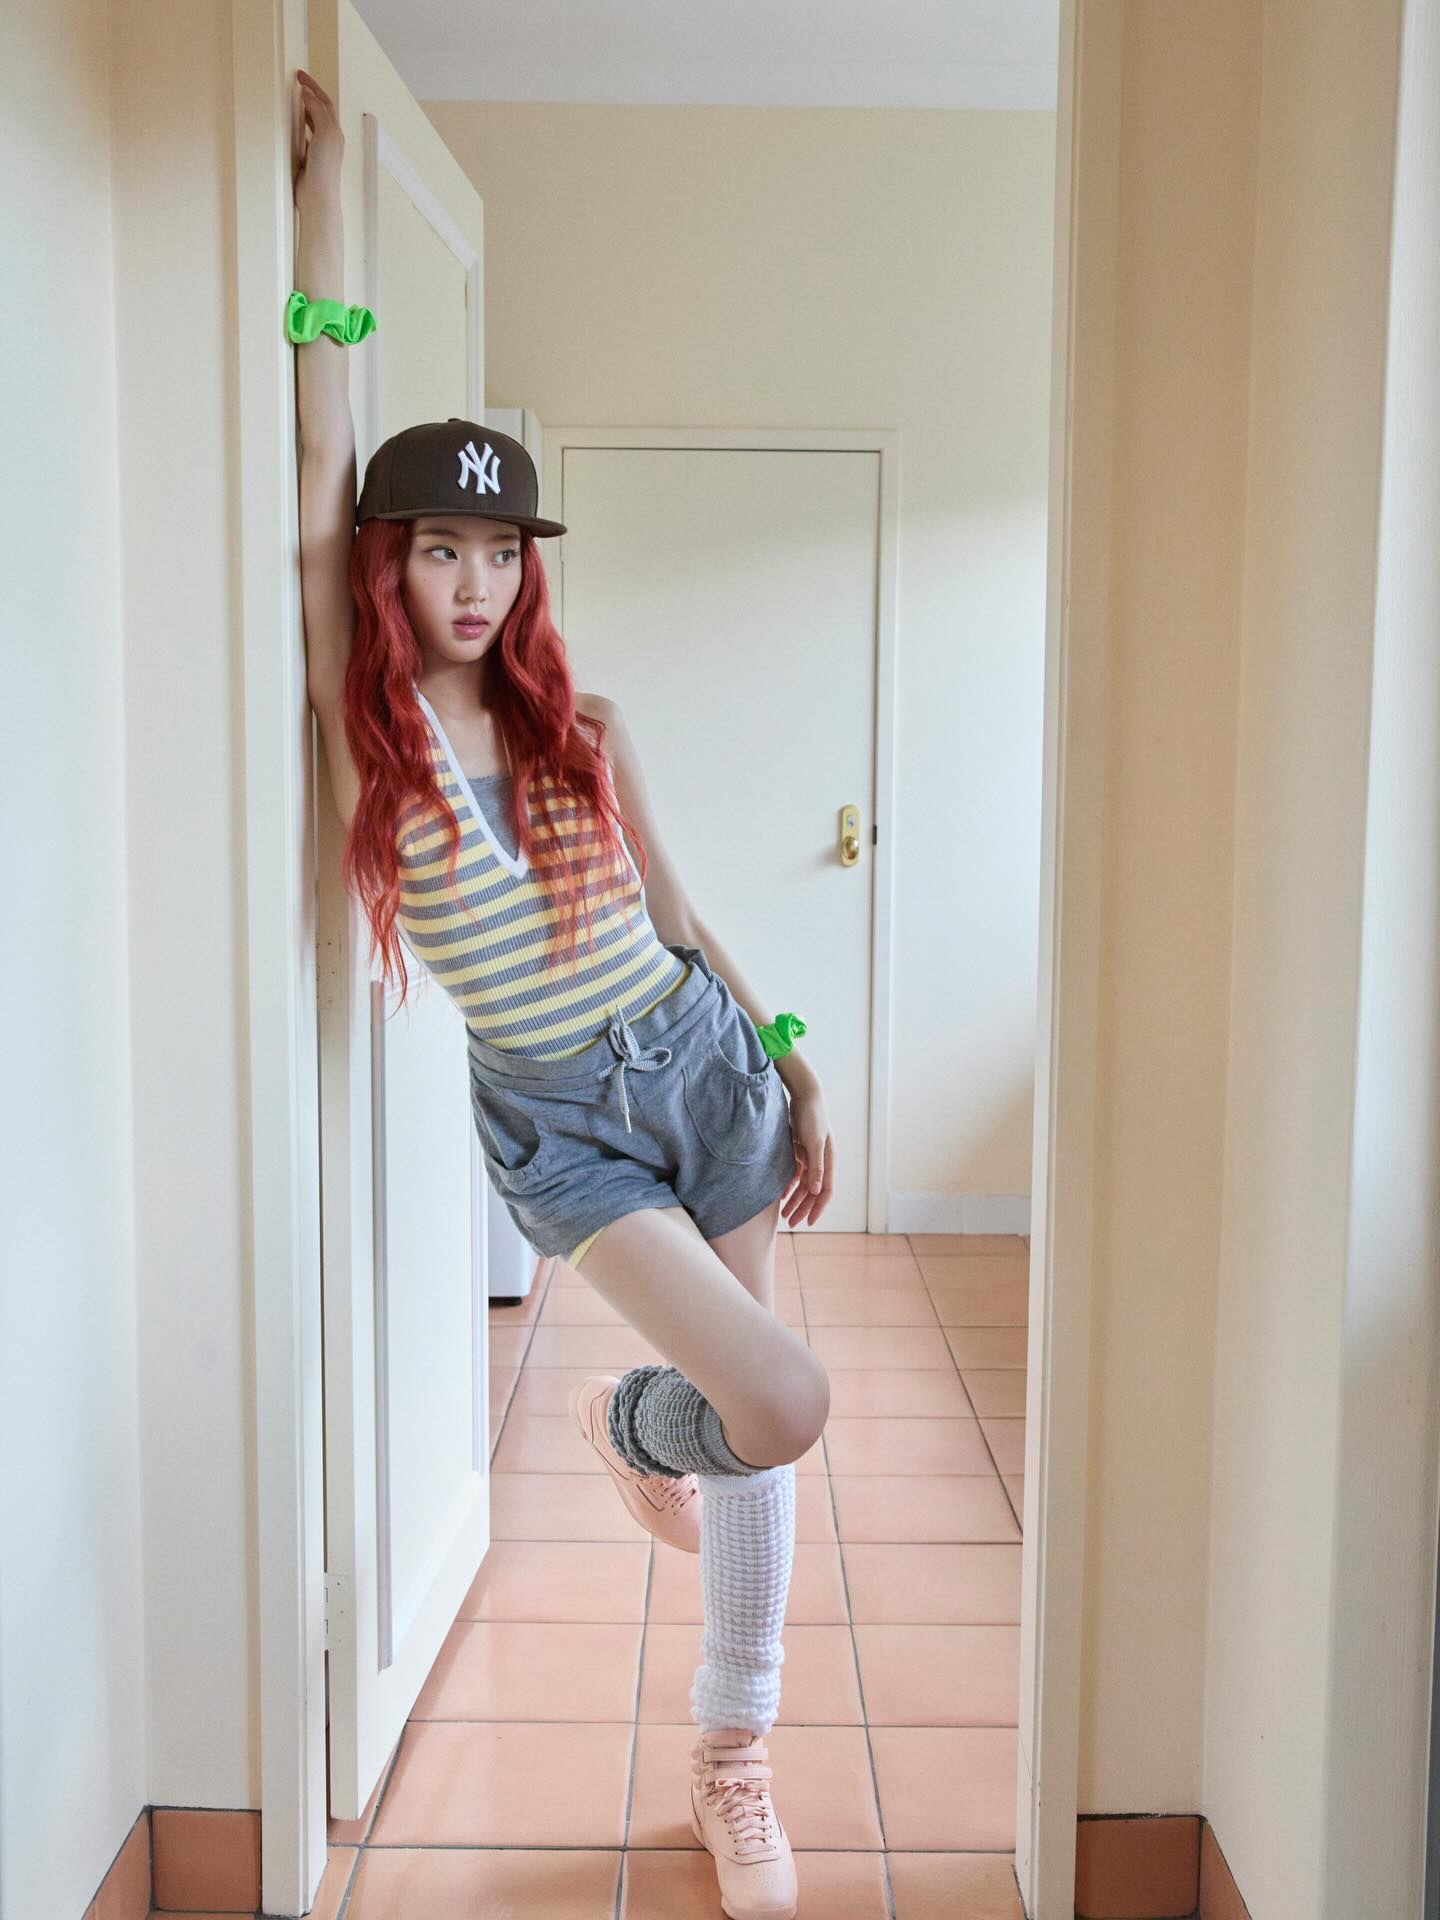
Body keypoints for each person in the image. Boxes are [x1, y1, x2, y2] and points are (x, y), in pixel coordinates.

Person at [292, 69, 835, 1918]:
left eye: (499, 548)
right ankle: (631, 1424)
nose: (471, 579)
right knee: (779, 1400)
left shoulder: (580, 724)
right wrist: (323, 205)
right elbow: (320, 449)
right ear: (388, 564)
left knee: (758, 1447)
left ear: (526, 569)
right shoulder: (370, 734)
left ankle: (733, 1762)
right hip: (561, 1121)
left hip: (700, 1060)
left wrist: (787, 1057)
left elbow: (676, 912)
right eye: (436, 547)